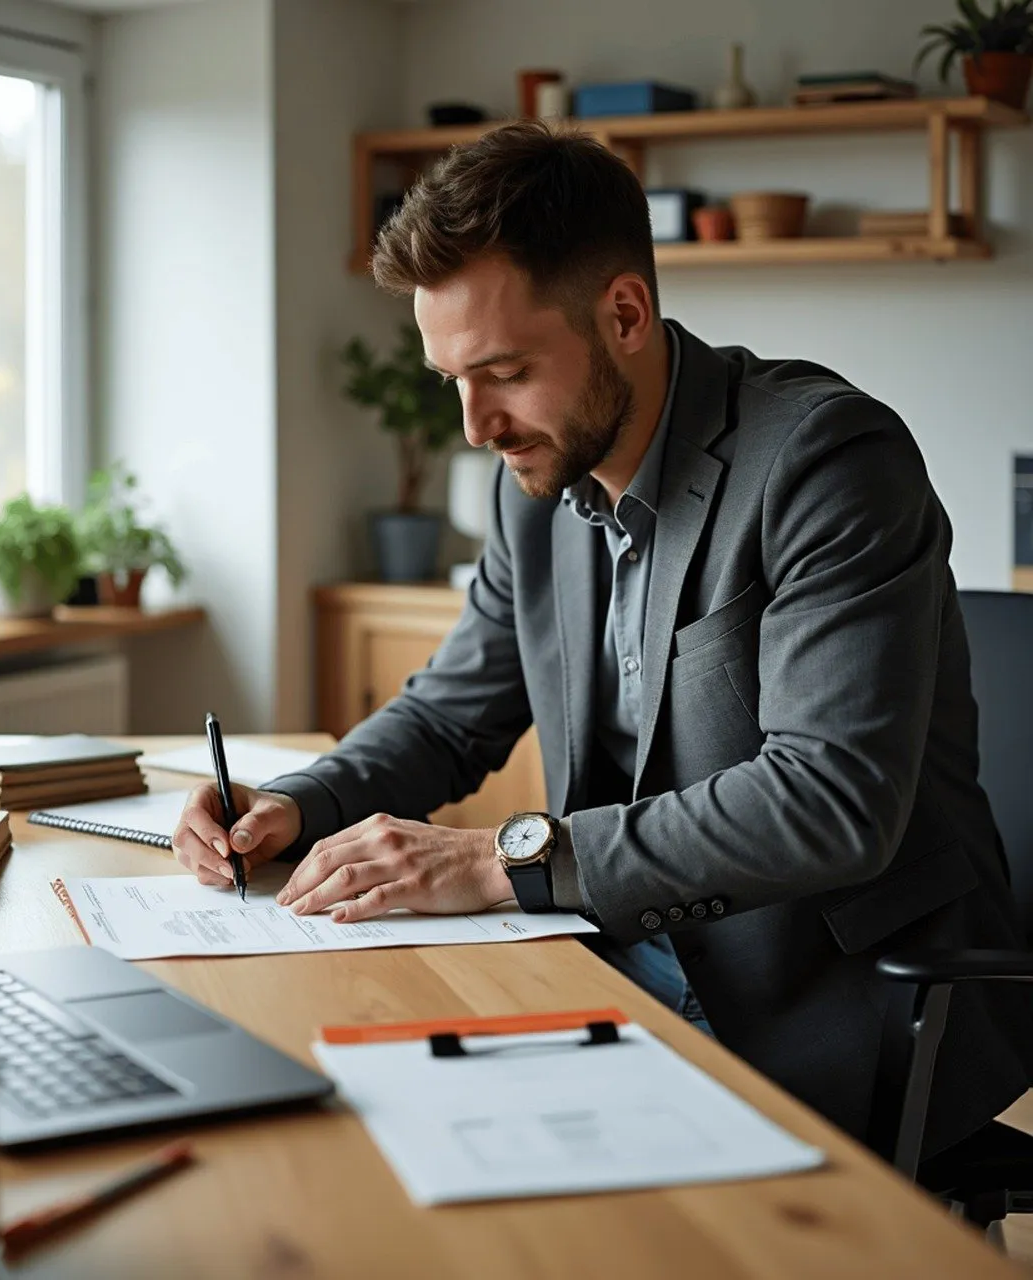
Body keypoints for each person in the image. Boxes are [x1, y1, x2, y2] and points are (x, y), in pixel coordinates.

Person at [173, 121, 1033, 1157]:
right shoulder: (534, 483)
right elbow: (450, 714)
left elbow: (827, 798)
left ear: (624, 313)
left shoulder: (826, 460)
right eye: (452, 380)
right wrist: (297, 803)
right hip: (610, 955)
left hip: (828, 1002)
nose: (475, 426)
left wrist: (502, 858)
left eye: (503, 370)